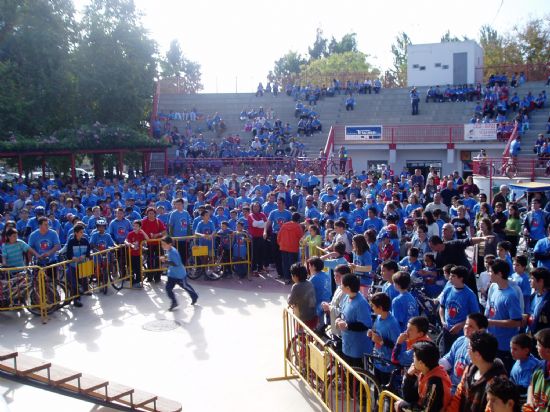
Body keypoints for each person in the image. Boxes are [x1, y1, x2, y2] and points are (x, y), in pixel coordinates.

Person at [447, 331, 508, 412]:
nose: (467, 351)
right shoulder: (469, 369)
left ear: (478, 354)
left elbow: (491, 409)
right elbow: (458, 396)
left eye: (469, 348)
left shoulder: (498, 382)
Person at [485, 258, 523, 373]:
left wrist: (491, 322)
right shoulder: (494, 288)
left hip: (505, 346)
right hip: (492, 341)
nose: (489, 274)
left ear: (499, 274)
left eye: (491, 272)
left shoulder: (511, 295)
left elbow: (517, 322)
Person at [397, 341, 452, 412]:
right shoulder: (424, 373)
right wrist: (409, 376)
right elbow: (410, 398)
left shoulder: (435, 382)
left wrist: (401, 405)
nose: (413, 360)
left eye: (414, 357)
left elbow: (425, 410)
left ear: (421, 363)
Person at [440, 313, 488, 393]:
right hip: (451, 386)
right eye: (466, 324)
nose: (466, 327)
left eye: (471, 326)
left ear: (481, 330)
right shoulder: (461, 340)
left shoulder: (482, 350)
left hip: (466, 391)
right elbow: (449, 360)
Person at [438, 266, 481, 355]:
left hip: (461, 333)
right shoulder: (448, 290)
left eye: (453, 276)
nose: (450, 278)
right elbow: (442, 307)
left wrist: (460, 325)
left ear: (461, 278)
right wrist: (443, 321)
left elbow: (475, 316)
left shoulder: (469, 295)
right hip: (446, 330)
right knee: (444, 354)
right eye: (450, 275)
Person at [336, 273, 373, 369]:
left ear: (348, 288)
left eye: (342, 285)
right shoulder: (347, 297)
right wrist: (339, 318)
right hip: (347, 343)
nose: (340, 286)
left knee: (357, 375)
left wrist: (347, 326)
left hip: (357, 348)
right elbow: (342, 311)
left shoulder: (361, 303)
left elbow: (365, 325)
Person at [368, 292, 401, 383]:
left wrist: (382, 342)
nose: (372, 308)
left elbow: (397, 345)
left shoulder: (392, 324)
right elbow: (376, 332)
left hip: (387, 366)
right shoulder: (379, 317)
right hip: (378, 361)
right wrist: (371, 333)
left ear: (381, 308)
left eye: (373, 306)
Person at [160, 236, 198, 311]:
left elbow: (176, 263)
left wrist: (165, 261)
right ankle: (174, 302)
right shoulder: (168, 250)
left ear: (170, 244)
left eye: (164, 244)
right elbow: (169, 258)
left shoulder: (173, 252)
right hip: (172, 275)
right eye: (162, 244)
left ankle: (194, 296)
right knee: (168, 288)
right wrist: (165, 258)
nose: (162, 246)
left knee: (185, 286)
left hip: (180, 275)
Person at [524, 328, 550, 412]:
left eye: (538, 345)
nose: (536, 347)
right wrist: (529, 402)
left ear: (548, 351)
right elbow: (531, 384)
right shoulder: (540, 366)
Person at [65, 223, 91, 307]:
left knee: (84, 279)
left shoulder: (85, 240)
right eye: (80, 232)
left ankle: (85, 290)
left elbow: (88, 251)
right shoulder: (71, 242)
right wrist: (73, 257)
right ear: (76, 233)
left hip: (83, 264)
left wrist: (85, 255)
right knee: (74, 283)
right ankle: (76, 300)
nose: (82, 233)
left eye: (82, 232)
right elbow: (68, 254)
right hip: (73, 266)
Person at [287, 263, 317, 329]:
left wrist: (288, 296)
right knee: (310, 336)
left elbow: (290, 301)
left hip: (302, 318)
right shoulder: (309, 283)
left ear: (295, 276)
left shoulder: (296, 286)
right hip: (313, 315)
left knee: (302, 337)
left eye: (292, 275)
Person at [277, 212, 303, 284]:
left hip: (283, 247)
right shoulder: (298, 227)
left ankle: (286, 278)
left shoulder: (284, 225)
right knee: (293, 264)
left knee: (285, 263)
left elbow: (279, 236)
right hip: (293, 248)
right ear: (298, 219)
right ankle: (293, 278)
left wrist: (280, 244)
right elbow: (301, 238)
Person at [306, 256, 331, 331]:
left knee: (317, 327)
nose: (309, 267)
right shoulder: (326, 275)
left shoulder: (314, 278)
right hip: (328, 301)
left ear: (313, 267)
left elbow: (306, 291)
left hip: (318, 305)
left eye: (309, 265)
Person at [124, 220, 149, 288]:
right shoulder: (130, 234)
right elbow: (125, 240)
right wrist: (128, 243)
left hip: (138, 254)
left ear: (140, 227)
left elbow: (147, 239)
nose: (135, 227)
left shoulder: (141, 234)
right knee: (131, 268)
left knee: (138, 269)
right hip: (131, 254)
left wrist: (143, 231)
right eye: (134, 226)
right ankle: (132, 281)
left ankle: (138, 282)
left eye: (137, 226)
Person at [528, 267, 550, 335]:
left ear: (540, 281)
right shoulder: (533, 295)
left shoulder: (548, 300)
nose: (529, 280)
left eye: (532, 278)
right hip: (532, 335)